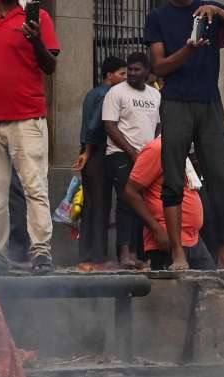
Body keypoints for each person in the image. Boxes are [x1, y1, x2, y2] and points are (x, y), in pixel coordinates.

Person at [145, 0, 224, 270]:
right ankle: (178, 254)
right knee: (173, 181)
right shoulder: (158, 17)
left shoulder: (209, 9)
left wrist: (218, 12)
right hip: (175, 102)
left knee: (220, 180)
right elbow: (159, 67)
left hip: (209, 103)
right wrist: (188, 50)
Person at [0, 0, 60, 275]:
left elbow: (50, 66)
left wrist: (37, 41)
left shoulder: (38, 17)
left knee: (34, 187)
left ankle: (41, 251)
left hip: (27, 118)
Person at [121, 137, 215, 271]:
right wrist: (157, 230)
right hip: (167, 241)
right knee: (176, 291)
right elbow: (130, 192)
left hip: (193, 239)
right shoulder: (156, 149)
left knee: (211, 287)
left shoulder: (180, 150)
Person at [102, 51, 160, 269]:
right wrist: (132, 152)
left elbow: (158, 125)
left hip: (148, 157)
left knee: (144, 204)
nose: (132, 74)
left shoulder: (155, 95)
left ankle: (138, 253)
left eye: (137, 70)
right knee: (127, 201)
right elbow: (109, 125)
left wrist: (151, 151)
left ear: (147, 72)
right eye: (129, 70)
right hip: (120, 154)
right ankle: (124, 253)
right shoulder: (116, 92)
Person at [75, 55, 126, 266]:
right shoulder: (108, 94)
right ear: (109, 75)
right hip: (98, 151)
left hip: (89, 152)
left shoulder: (92, 93)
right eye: (121, 74)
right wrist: (88, 151)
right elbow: (95, 126)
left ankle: (86, 254)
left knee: (90, 206)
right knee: (100, 205)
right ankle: (98, 256)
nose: (125, 78)